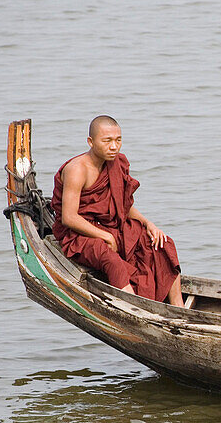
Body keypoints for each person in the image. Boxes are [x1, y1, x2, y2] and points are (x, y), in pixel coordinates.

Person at [51, 115, 184, 306]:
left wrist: (149, 225)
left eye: (118, 140)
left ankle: (178, 308)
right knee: (110, 258)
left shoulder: (116, 163)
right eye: (107, 141)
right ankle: (136, 308)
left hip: (109, 225)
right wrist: (105, 236)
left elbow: (123, 207)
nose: (114, 146)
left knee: (161, 244)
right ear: (91, 141)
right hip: (78, 233)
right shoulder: (77, 169)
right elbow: (69, 218)